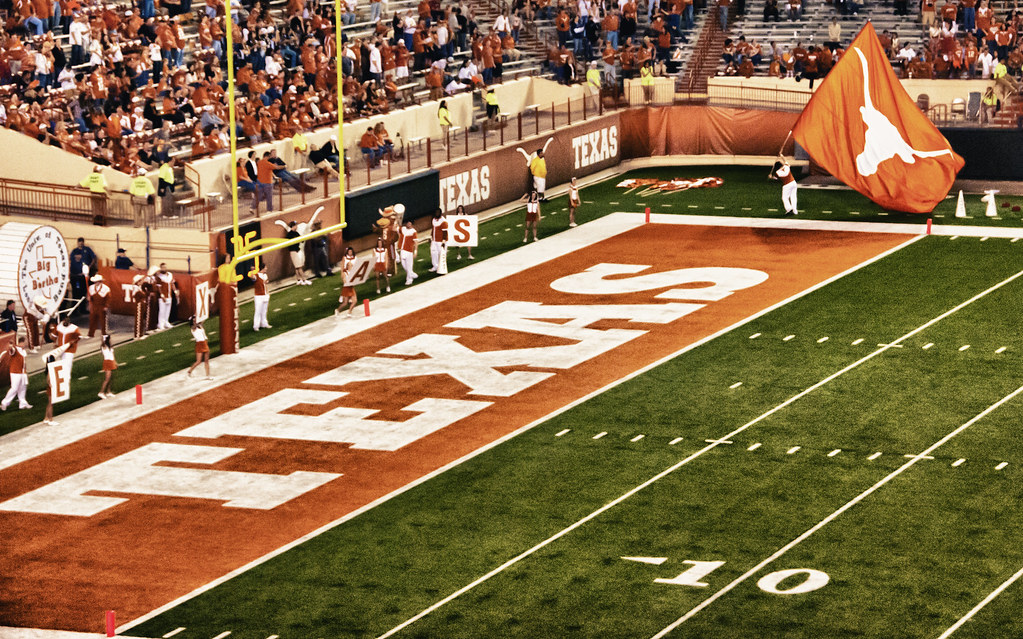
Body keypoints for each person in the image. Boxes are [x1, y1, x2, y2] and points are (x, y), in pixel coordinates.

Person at [0, 336, 31, 411]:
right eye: (25, 342)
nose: (26, 344)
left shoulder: (23, 351)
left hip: (22, 372)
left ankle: (22, 403)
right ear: (22, 342)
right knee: (14, 388)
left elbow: (24, 362)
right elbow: (11, 350)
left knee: (23, 387)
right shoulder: (15, 349)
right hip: (15, 372)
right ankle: (4, 402)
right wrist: (10, 346)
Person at [281, 221, 312, 285]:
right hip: (293, 251)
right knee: (299, 267)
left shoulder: (296, 233)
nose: (297, 226)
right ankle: (304, 280)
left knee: (297, 267)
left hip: (297, 250)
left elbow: (302, 240)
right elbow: (288, 244)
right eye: (296, 225)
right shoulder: (289, 235)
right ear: (293, 226)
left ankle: (298, 279)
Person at [69, 238, 97, 304]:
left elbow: (93, 258)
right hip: (75, 276)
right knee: (75, 293)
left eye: (82, 242)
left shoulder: (87, 250)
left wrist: (88, 268)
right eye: (79, 242)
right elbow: (70, 261)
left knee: (83, 292)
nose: (80, 244)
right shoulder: (74, 251)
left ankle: (82, 309)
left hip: (83, 276)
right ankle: (74, 310)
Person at [335, 247, 359, 318]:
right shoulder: (345, 273)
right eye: (350, 265)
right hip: (347, 287)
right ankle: (338, 310)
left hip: (351, 287)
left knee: (354, 301)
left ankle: (349, 312)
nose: (351, 266)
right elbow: (345, 280)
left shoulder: (353, 273)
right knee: (345, 303)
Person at [155, 263, 178, 330]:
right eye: (163, 267)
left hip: (169, 295)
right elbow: (158, 287)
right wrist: (162, 295)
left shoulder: (170, 275)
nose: (164, 269)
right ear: (160, 268)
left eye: (165, 267)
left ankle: (166, 321)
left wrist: (175, 291)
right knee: (162, 310)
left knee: (168, 309)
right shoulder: (159, 276)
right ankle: (160, 324)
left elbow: (172, 283)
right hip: (163, 296)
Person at [131, 273, 152, 339]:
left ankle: (141, 333)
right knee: (138, 320)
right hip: (138, 305)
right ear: (138, 282)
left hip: (141, 304)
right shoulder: (136, 289)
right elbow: (138, 297)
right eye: (140, 280)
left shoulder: (139, 288)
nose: (142, 281)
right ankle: (137, 335)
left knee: (141, 319)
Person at [252, 262, 272, 331]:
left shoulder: (265, 276)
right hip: (258, 296)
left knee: (264, 311)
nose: (266, 268)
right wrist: (252, 271)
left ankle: (264, 323)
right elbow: (252, 277)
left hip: (265, 295)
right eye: (265, 267)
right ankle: (256, 326)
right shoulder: (256, 275)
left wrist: (268, 293)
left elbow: (265, 285)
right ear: (262, 268)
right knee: (258, 311)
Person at [399, 220, 419, 285]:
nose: (408, 225)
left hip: (409, 251)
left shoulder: (413, 232)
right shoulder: (403, 229)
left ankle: (409, 279)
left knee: (409, 265)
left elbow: (416, 242)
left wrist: (415, 251)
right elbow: (395, 227)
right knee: (403, 264)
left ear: (412, 225)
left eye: (410, 224)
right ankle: (412, 274)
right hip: (402, 250)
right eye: (408, 223)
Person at [429, 208, 448, 273]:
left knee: (441, 254)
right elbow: (433, 229)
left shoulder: (443, 221)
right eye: (435, 212)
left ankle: (442, 268)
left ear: (440, 213)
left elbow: (445, 233)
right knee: (433, 253)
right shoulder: (433, 219)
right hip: (434, 240)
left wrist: (443, 241)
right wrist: (431, 237)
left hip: (440, 241)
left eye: (438, 212)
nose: (436, 213)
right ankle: (435, 266)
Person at [98, 334, 116, 399]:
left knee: (110, 378)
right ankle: (101, 392)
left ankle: (108, 392)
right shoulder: (104, 346)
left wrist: (115, 362)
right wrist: (102, 337)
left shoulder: (110, 346)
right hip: (107, 362)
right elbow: (102, 341)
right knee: (107, 379)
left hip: (111, 362)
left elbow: (112, 354)